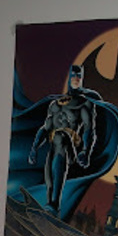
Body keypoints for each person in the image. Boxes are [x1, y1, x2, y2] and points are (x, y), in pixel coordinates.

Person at [28, 65, 100, 216]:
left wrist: (86, 151)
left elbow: (89, 128)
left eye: (79, 76)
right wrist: (34, 148)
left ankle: (54, 203)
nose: (76, 79)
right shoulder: (55, 104)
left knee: (60, 136)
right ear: (69, 78)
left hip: (71, 143)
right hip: (55, 144)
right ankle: (51, 203)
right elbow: (46, 127)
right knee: (49, 169)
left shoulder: (84, 102)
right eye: (74, 75)